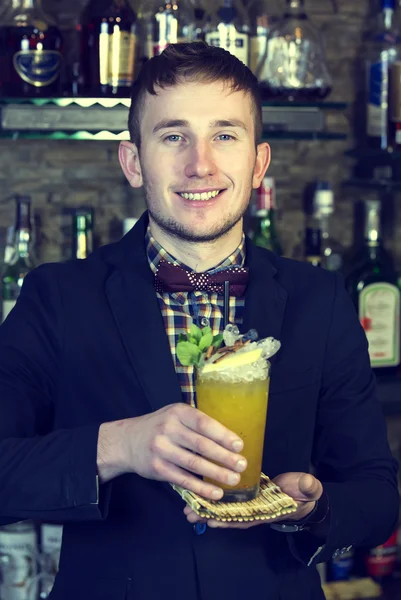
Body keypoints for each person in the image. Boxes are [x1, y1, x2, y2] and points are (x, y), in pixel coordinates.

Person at [0, 42, 398, 600]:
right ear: (134, 162)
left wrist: (314, 508)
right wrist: (120, 446)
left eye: (225, 135)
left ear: (258, 163)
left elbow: (378, 494)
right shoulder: (58, 297)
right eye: (173, 136)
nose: (200, 164)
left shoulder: (321, 300)